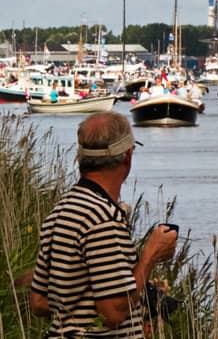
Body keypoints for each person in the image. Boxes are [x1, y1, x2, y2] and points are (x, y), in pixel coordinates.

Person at [28, 113, 179, 339]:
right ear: (128, 156)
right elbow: (113, 313)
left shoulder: (61, 211)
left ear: (80, 158)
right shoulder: (103, 220)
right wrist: (150, 256)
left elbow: (39, 302)